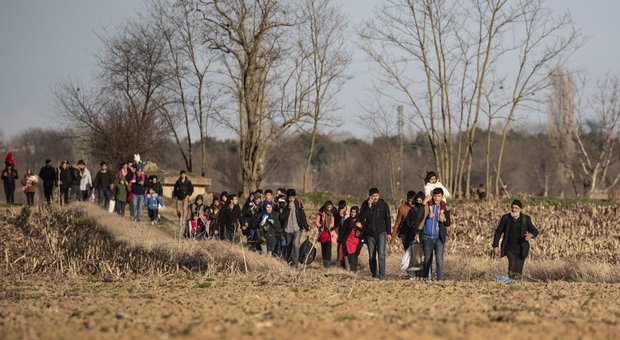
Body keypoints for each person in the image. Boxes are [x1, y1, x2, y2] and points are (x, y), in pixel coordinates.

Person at [493, 200, 539, 280]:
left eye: (516, 208)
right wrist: (495, 245)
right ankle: (512, 280)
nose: (514, 210)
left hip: (522, 248)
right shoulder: (506, 218)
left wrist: (530, 235)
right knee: (512, 264)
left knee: (519, 268)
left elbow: (535, 231)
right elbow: (498, 232)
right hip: (509, 247)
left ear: (520, 209)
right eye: (512, 207)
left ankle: (516, 283)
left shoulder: (525, 219)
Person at [418, 188, 451, 281]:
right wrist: (424, 202)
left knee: (439, 260)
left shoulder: (445, 208)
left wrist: (444, 219)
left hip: (439, 238)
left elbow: (448, 223)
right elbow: (419, 216)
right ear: (433, 196)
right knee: (428, 260)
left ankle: (440, 279)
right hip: (427, 237)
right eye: (435, 196)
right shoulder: (427, 206)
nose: (436, 198)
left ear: (442, 197)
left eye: (439, 196)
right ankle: (427, 278)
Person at [358, 187, 391, 280]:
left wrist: (389, 233)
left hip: (381, 232)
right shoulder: (365, 204)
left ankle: (382, 275)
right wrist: (369, 207)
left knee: (381, 253)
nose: (375, 197)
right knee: (372, 255)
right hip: (369, 233)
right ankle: (374, 274)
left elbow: (387, 219)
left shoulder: (383, 204)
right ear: (370, 197)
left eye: (377, 195)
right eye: (373, 196)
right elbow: (361, 218)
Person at [280, 189, 310, 267]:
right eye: (290, 198)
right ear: (287, 197)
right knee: (289, 246)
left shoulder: (299, 204)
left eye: (293, 197)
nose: (291, 199)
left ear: (295, 196)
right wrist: (288, 209)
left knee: (296, 245)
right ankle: (290, 262)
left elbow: (303, 216)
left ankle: (295, 264)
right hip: (288, 229)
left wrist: (307, 228)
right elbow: (281, 218)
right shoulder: (284, 204)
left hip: (297, 228)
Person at [339, 206, 364, 272]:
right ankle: (348, 269)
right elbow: (343, 231)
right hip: (347, 240)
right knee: (345, 254)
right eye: (352, 212)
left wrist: (360, 226)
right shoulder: (347, 220)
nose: (353, 213)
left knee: (354, 255)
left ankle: (353, 270)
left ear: (357, 213)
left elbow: (364, 231)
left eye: (354, 212)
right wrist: (340, 240)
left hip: (356, 242)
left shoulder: (360, 220)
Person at [315, 200, 336, 267]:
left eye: (330, 207)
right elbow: (317, 222)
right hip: (323, 233)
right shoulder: (321, 213)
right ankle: (325, 262)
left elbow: (334, 222)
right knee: (323, 248)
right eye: (328, 207)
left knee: (328, 248)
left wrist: (331, 226)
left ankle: (328, 262)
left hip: (330, 233)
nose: (329, 208)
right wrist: (320, 226)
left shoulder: (333, 213)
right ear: (325, 206)